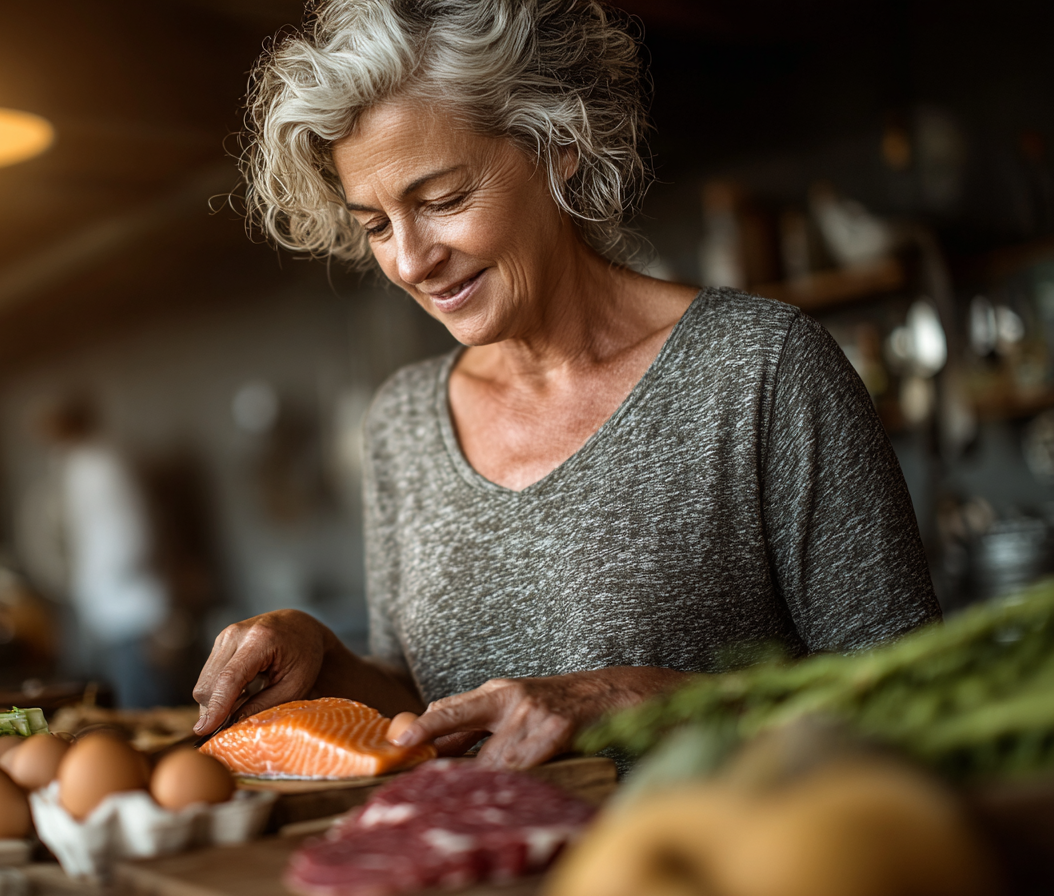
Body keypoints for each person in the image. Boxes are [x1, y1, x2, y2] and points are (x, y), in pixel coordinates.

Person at [193, 0, 941, 768]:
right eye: (377, 225)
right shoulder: (403, 422)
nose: (412, 261)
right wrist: (324, 657)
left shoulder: (760, 370)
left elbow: (917, 697)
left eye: (443, 200)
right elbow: (428, 715)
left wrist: (636, 697)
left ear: (560, 146)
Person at [26, 394, 173, 708]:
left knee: (144, 705)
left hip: (129, 608)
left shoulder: (101, 465)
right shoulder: (79, 464)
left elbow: (133, 534)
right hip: (107, 607)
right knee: (126, 698)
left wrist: (99, 577)